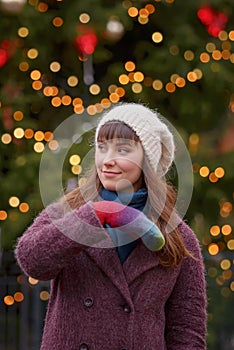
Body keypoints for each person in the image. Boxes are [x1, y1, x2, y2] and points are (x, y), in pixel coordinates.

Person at [15, 103, 207, 350]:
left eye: (123, 149)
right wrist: (94, 216)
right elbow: (31, 259)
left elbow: (187, 332)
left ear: (147, 160)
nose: (107, 160)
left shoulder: (178, 236)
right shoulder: (70, 211)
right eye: (102, 148)